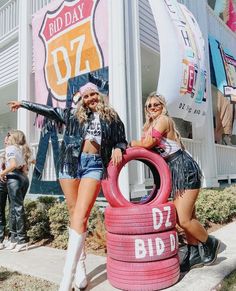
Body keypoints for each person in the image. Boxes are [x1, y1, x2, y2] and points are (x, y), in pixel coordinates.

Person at [8, 82, 127, 291]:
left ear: (99, 95)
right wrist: (23, 104)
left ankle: (66, 279)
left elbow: (121, 140)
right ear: (81, 98)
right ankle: (80, 265)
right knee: (74, 213)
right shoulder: (72, 114)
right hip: (69, 164)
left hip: (94, 165)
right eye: (86, 95)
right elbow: (49, 110)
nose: (91, 98)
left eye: (93, 94)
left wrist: (118, 147)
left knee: (81, 215)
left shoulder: (112, 117)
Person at [130, 92, 221, 272]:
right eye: (150, 105)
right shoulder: (149, 126)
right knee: (183, 218)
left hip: (184, 168)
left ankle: (210, 243)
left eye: (157, 104)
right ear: (146, 109)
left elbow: (148, 143)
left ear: (162, 106)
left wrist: (131, 143)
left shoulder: (163, 120)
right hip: (174, 171)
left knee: (184, 219)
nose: (153, 107)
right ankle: (194, 253)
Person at [0, 130, 31, 252]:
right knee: (15, 208)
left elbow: (12, 164)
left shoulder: (10, 149)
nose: (6, 137)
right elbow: (24, 167)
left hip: (14, 178)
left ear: (13, 137)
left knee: (17, 208)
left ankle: (22, 240)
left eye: (8, 135)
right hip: (22, 178)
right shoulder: (20, 149)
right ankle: (14, 239)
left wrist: (2, 173)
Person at [0, 149, 8, 250]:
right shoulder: (2, 154)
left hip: (12, 181)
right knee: (0, 211)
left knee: (13, 211)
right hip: (1, 183)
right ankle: (0, 239)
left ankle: (12, 238)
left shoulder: (18, 152)